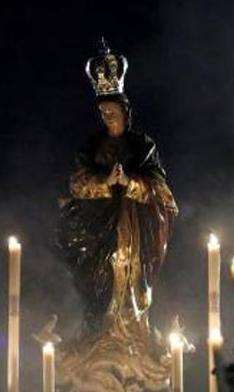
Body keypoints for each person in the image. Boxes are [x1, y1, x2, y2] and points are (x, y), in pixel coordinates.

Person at [57, 39, 178, 342]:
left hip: (135, 227)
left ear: (124, 111)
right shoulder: (92, 146)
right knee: (100, 275)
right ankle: (100, 328)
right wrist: (105, 182)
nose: (107, 116)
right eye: (103, 112)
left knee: (128, 269)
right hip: (98, 226)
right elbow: (77, 183)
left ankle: (131, 330)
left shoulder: (142, 146)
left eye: (112, 110)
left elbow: (161, 189)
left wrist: (129, 182)